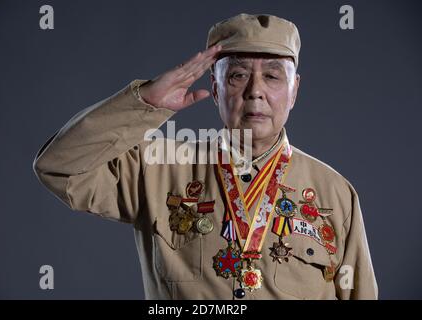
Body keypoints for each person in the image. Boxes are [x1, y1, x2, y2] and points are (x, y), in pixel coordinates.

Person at [33, 13, 378, 299]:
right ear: (215, 89)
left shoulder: (335, 193)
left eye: (272, 76)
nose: (255, 91)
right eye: (238, 75)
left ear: (294, 91)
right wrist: (145, 103)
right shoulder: (156, 168)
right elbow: (59, 167)